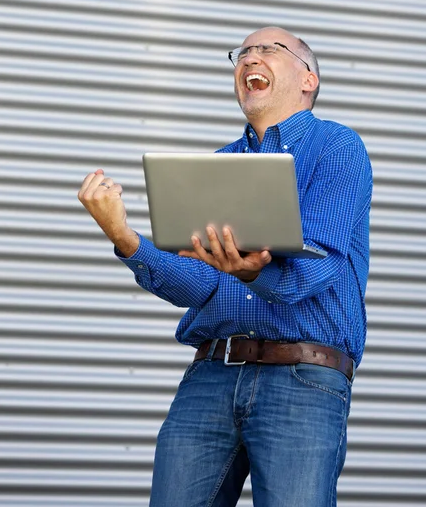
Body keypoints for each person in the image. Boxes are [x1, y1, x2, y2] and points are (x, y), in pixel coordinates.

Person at [78, 27, 372, 507]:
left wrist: (255, 271)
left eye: (268, 50)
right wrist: (125, 238)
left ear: (308, 79)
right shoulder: (219, 165)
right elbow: (199, 284)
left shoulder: (338, 149)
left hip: (302, 379)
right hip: (211, 376)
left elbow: (321, 267)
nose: (250, 58)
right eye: (242, 53)